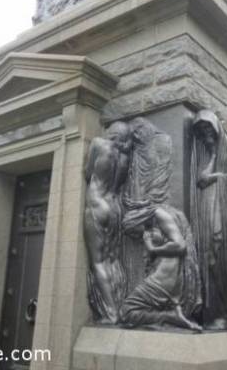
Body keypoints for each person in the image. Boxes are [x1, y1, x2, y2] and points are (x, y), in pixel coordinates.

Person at [190, 110, 227, 330]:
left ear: (216, 127)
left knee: (219, 256)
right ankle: (210, 312)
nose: (205, 132)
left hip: (222, 209)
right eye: (201, 130)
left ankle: (225, 312)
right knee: (208, 255)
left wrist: (217, 178)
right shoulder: (201, 152)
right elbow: (200, 180)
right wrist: (211, 159)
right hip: (205, 210)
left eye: (208, 127)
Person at [119, 204, 201, 331]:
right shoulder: (153, 221)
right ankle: (171, 315)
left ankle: (169, 317)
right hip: (165, 275)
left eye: (135, 233)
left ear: (136, 221)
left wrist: (152, 248)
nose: (139, 236)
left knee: (126, 312)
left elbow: (180, 246)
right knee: (129, 311)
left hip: (164, 276)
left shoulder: (159, 214)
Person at [84, 121, 132, 324]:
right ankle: (120, 306)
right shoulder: (124, 158)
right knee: (113, 259)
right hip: (114, 207)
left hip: (97, 204)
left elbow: (87, 173)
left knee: (98, 261)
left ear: (111, 133)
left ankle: (111, 313)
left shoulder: (98, 143)